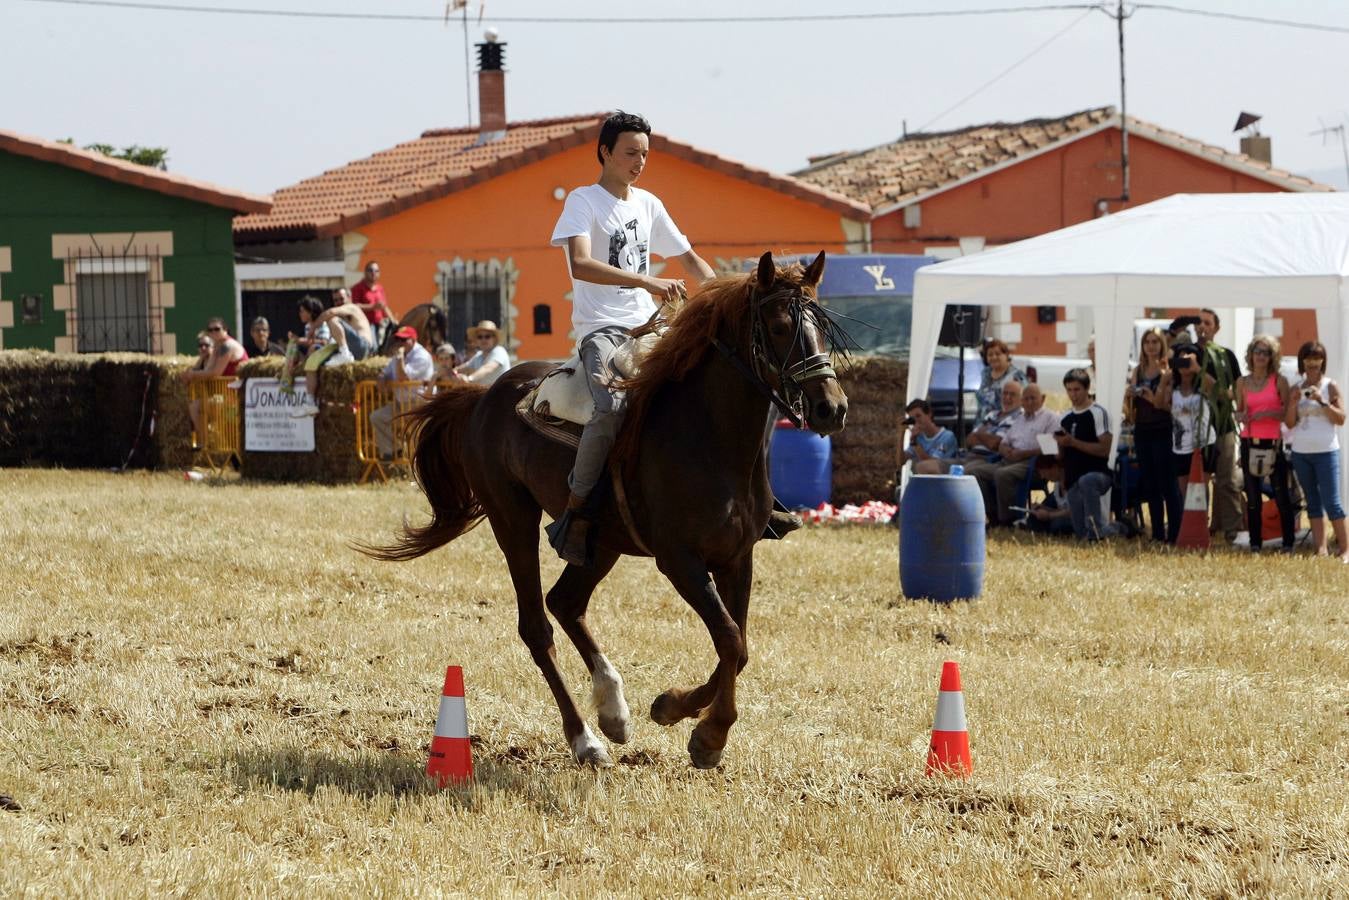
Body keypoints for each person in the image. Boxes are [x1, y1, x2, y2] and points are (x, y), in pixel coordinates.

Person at [545, 110, 717, 565]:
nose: (639, 162)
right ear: (605, 152)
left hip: (653, 325)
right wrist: (648, 282)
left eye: (644, 154)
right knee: (612, 407)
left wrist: (724, 293)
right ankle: (576, 511)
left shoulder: (649, 203)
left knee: (718, 386)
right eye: (630, 153)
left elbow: (691, 258)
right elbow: (579, 265)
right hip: (602, 327)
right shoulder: (583, 201)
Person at [1286, 341, 1348, 561]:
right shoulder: (1296, 388)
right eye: (1309, 359)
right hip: (1301, 452)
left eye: (1317, 359)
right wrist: (1293, 404)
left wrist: (1322, 402)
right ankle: (1321, 548)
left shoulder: (1330, 386)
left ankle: (1345, 548)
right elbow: (1290, 423)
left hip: (1326, 451)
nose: (1313, 363)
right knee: (1312, 501)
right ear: (1303, 362)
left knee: (1332, 502)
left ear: (1323, 361)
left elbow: (1341, 418)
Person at [1235, 335, 1295, 553]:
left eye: (1266, 352)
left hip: (1273, 443)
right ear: (1251, 354)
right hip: (1249, 441)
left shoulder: (1279, 381)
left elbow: (1287, 412)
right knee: (1252, 496)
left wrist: (1269, 413)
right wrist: (1240, 416)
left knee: (1281, 494)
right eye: (1257, 351)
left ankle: (1288, 542)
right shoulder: (1242, 382)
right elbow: (1239, 410)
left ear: (1272, 357)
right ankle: (1255, 543)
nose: (1261, 356)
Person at [968, 383, 1059, 526]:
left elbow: (1049, 449)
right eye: (1026, 399)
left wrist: (1022, 454)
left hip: (1032, 464)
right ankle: (993, 515)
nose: (1029, 402)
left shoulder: (1050, 418)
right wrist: (1006, 450)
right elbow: (1004, 442)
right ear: (1022, 401)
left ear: (1043, 398)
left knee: (1002, 474)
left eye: (1033, 399)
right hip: (1008, 459)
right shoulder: (1020, 419)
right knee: (973, 471)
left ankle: (1008, 520)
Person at [1126, 327, 1180, 543]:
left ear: (1162, 345)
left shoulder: (1168, 371)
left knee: (1167, 483)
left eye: (1155, 342)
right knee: (1150, 483)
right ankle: (1157, 532)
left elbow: (1169, 406)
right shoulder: (1137, 371)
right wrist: (1129, 396)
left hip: (1163, 429)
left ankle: (1174, 532)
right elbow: (1130, 411)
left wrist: (1150, 397)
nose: (1151, 346)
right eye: (1147, 341)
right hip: (1142, 430)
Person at [1196, 308, 1245, 541]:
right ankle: (1199, 524)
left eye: (1207, 323)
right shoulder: (1189, 353)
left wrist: (1221, 392)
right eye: (1199, 323)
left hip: (1223, 424)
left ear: (1216, 327)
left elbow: (1236, 391)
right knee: (1200, 479)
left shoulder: (1226, 355)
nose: (1202, 327)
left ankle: (1232, 527)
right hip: (1196, 428)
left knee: (1226, 479)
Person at [1056, 368, 1118, 540]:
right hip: (1073, 477)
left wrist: (1073, 442)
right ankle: (1113, 529)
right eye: (1069, 390)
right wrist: (1058, 445)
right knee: (1080, 532)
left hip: (1098, 473)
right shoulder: (1065, 417)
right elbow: (1062, 456)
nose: (1073, 394)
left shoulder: (1099, 413)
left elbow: (1105, 449)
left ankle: (1104, 531)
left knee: (1087, 481)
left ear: (1087, 388)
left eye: (1077, 390)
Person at [370, 326, 435, 459]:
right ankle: (395, 448)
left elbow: (402, 377)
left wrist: (399, 357)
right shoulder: (399, 355)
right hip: (402, 403)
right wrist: (382, 378)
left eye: (404, 340)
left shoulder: (421, 356)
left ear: (413, 340)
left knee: (417, 435)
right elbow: (385, 372)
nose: (400, 342)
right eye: (398, 339)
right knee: (377, 417)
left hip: (420, 403)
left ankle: (420, 462)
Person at [180, 318, 248, 441]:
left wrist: (193, 375)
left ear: (225, 330)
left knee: (197, 407)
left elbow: (215, 373)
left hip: (235, 397)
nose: (213, 332)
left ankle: (209, 442)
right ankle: (209, 443)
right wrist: (190, 372)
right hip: (224, 394)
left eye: (217, 329)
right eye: (210, 330)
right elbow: (207, 369)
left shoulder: (227, 346)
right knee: (194, 406)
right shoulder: (218, 346)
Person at [897, 399, 960, 475]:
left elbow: (930, 465)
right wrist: (901, 434)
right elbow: (900, 461)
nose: (917, 421)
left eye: (918, 416)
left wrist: (914, 442)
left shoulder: (947, 436)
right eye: (913, 419)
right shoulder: (919, 437)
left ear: (929, 414)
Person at [974, 338, 1027, 426]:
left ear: (1006, 355)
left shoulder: (1016, 375)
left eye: (998, 354)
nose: (994, 357)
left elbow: (1025, 399)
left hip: (1005, 424)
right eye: (990, 355)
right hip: (982, 423)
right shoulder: (985, 373)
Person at [965, 379, 1022, 461]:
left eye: (1012, 394)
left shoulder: (1020, 418)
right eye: (1005, 393)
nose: (1007, 397)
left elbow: (996, 444)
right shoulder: (992, 414)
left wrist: (979, 435)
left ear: (1021, 399)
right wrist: (987, 438)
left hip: (989, 460)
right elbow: (970, 439)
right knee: (941, 464)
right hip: (970, 456)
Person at [1021, 455, 1073, 535]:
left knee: (1058, 524)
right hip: (1063, 516)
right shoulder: (1056, 486)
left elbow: (1072, 511)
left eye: (1043, 472)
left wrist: (1049, 515)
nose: (1042, 476)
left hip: (1074, 519)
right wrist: (1044, 508)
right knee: (1034, 518)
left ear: (1054, 467)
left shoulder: (1072, 485)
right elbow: (1062, 511)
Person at [316, 291, 375, 361]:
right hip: (356, 349)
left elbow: (330, 312)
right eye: (336, 300)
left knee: (332, 319)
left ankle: (345, 354)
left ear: (349, 298)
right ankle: (344, 354)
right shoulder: (343, 317)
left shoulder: (352, 307)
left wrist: (313, 328)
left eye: (341, 299)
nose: (339, 302)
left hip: (362, 346)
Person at [451, 320, 511, 386]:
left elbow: (488, 368)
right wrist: (454, 373)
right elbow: (463, 367)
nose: (483, 340)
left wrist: (469, 379)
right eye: (480, 337)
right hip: (487, 394)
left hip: (502, 394)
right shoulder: (479, 355)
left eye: (487, 336)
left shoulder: (499, 351)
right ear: (476, 340)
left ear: (494, 339)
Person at [352, 261, 393, 347]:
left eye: (376, 271)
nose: (373, 273)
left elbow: (384, 306)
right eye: (370, 270)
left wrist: (393, 320)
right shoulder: (357, 288)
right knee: (372, 346)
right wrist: (372, 306)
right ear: (365, 272)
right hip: (365, 324)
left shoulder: (380, 288)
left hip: (380, 324)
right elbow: (355, 306)